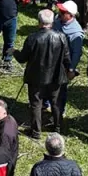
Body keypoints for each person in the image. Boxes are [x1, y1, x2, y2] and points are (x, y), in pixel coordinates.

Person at [15, 9, 70, 138]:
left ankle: (36, 131)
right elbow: (67, 58)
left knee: (36, 104)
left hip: (36, 77)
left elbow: (22, 58)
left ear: (39, 22)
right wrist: (69, 70)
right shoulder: (61, 37)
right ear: (52, 22)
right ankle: (57, 127)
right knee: (56, 103)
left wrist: (14, 52)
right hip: (56, 76)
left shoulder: (33, 38)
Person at [52, 0, 85, 121]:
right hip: (52, 61)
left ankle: (59, 111)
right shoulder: (57, 22)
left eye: (63, 12)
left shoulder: (76, 33)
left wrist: (71, 68)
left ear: (70, 15)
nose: (59, 13)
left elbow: (76, 53)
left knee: (61, 89)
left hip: (63, 66)